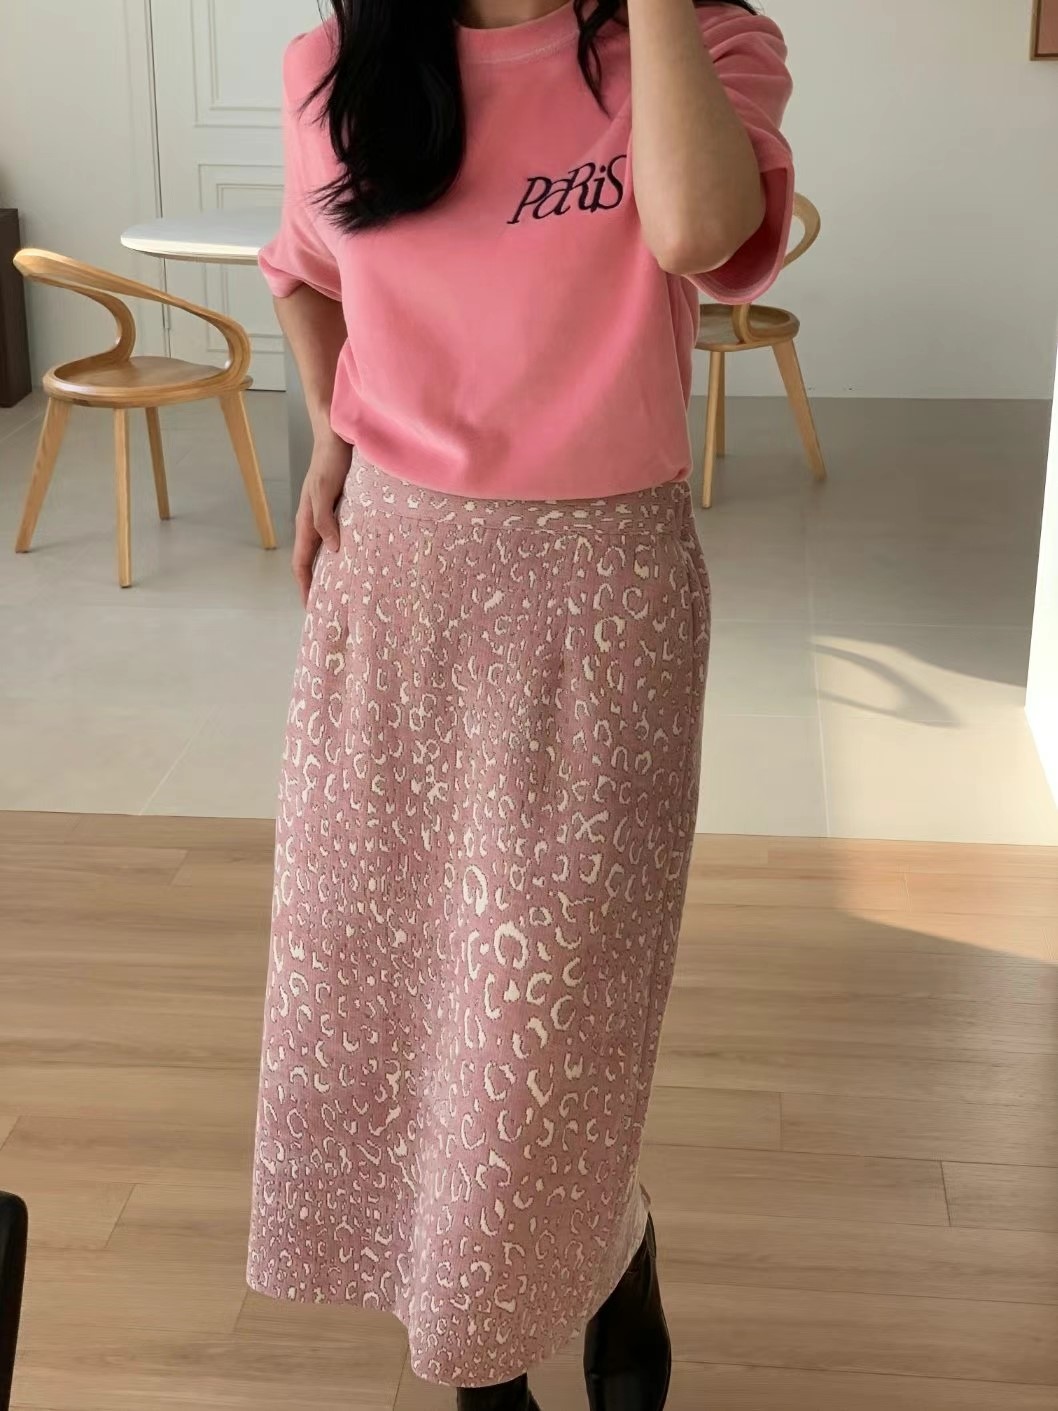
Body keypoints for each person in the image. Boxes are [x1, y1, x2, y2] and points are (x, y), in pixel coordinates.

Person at [245, 2, 793, 1407]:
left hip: (604, 593)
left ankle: (609, 1245)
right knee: (402, 985)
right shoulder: (340, 66)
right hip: (399, 582)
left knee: (553, 1014)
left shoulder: (704, 44)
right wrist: (334, 435)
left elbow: (700, 236)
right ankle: (481, 1370)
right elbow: (301, 267)